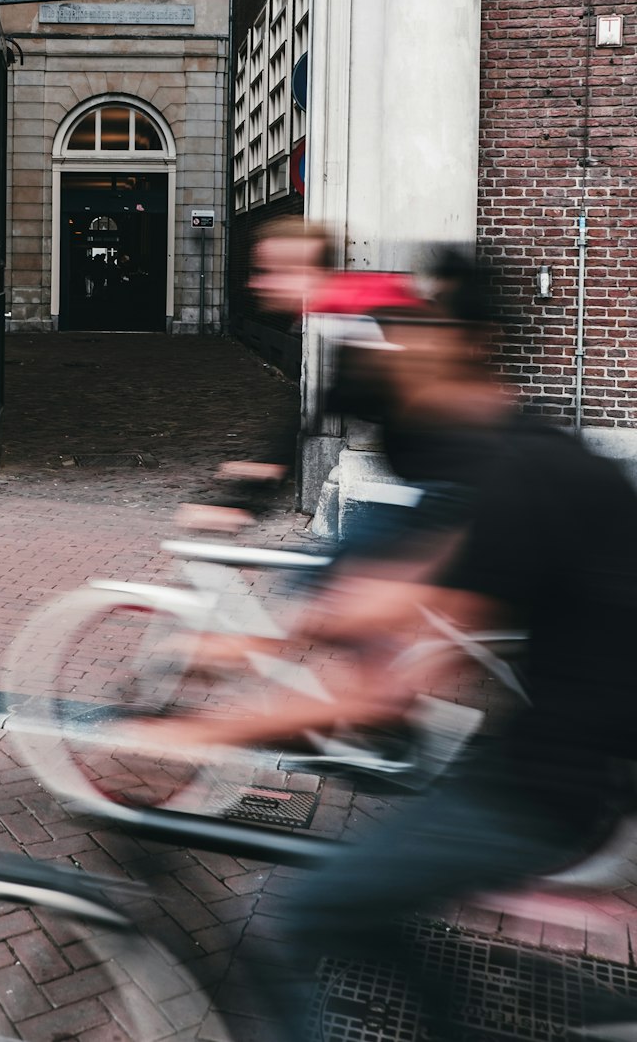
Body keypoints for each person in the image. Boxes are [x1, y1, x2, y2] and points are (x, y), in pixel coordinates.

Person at [140, 243, 637, 1038]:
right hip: (553, 759)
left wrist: (193, 733)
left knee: (302, 918)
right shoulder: (526, 455)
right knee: (370, 902)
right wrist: (275, 642)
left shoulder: (518, 476)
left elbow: (386, 676)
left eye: (413, 330)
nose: (390, 345)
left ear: (462, 344)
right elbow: (393, 599)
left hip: (552, 789)